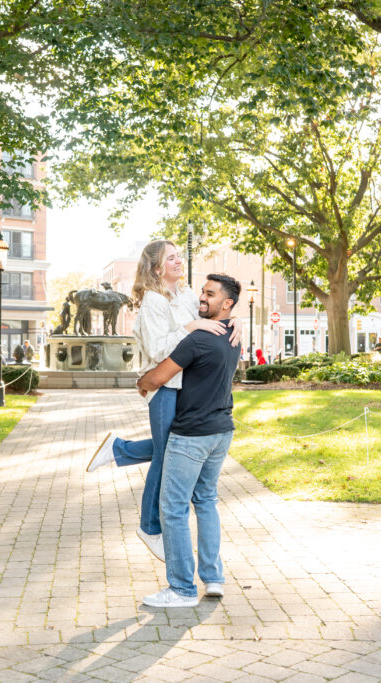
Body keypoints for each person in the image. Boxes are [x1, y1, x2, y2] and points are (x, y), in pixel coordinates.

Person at [86, 240, 240, 561]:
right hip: (164, 387)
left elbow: (210, 314)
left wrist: (234, 319)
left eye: (178, 255)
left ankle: (118, 449)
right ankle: (149, 527)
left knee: (170, 447)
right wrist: (191, 326)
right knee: (166, 455)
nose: (178, 261)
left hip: (183, 386)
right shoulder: (153, 302)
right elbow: (158, 350)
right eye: (171, 258)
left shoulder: (185, 294)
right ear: (157, 269)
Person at [135, 274, 242, 607]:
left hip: (192, 434)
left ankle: (182, 589)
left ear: (227, 303)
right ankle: (213, 578)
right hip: (221, 431)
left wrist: (141, 381)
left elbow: (158, 377)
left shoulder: (198, 339)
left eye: (210, 294)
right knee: (206, 501)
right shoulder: (233, 334)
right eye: (202, 292)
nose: (202, 298)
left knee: (173, 508)